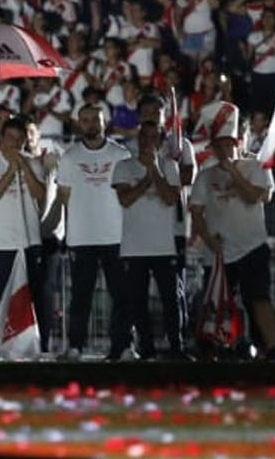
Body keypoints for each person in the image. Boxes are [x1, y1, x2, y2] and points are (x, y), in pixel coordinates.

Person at [190, 110, 275, 359]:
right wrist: (209, 241)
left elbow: (255, 197)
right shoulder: (205, 175)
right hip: (218, 253)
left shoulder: (256, 166)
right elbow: (196, 212)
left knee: (259, 299)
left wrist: (234, 173)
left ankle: (270, 349)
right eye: (218, 146)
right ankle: (217, 348)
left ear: (238, 143)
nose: (223, 151)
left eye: (227, 145)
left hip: (252, 246)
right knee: (215, 302)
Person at [49, 103, 131, 360]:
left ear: (104, 122)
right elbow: (63, 196)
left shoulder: (120, 154)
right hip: (81, 238)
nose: (90, 124)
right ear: (78, 123)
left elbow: (128, 194)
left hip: (116, 237)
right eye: (84, 120)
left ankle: (123, 347)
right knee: (80, 296)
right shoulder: (70, 157)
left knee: (121, 296)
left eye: (95, 119)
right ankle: (76, 347)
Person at [0, 113, 53, 359]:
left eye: (20, 139)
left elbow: (40, 194)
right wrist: (11, 171)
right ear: (2, 137)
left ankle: (39, 346)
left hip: (29, 240)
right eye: (10, 137)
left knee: (35, 295)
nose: (15, 143)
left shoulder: (34, 163)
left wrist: (24, 167)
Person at [113, 108, 186, 359]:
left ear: (161, 141)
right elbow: (126, 199)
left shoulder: (170, 166)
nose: (148, 142)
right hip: (134, 247)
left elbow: (170, 198)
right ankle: (147, 349)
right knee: (138, 302)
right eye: (144, 137)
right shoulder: (124, 166)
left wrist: (154, 169)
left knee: (171, 300)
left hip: (164, 247)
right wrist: (146, 179)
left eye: (153, 137)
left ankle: (176, 347)